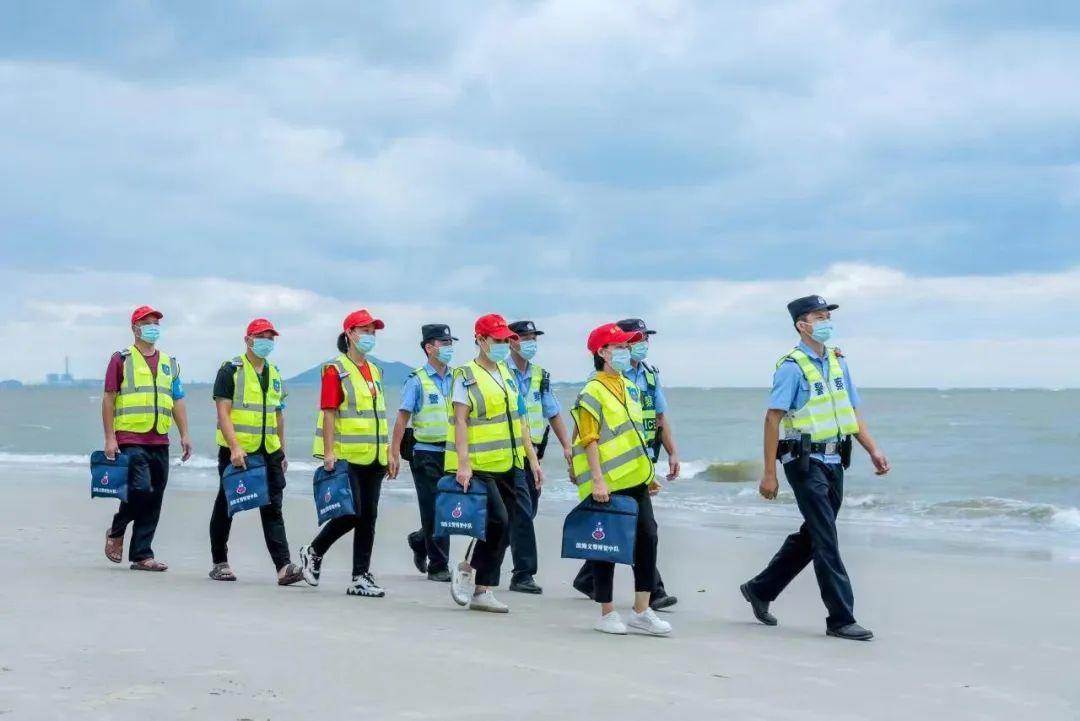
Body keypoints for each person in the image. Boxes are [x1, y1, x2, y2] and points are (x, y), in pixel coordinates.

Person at [740, 295, 890, 641]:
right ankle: (840, 618)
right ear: (801, 325)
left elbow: (851, 412)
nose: (825, 322)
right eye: (818, 317)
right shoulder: (791, 367)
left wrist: (873, 449)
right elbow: (772, 418)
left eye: (827, 316)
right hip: (804, 462)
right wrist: (769, 473)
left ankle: (760, 589)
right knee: (826, 539)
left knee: (814, 534)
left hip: (836, 459)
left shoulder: (838, 362)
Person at [570, 323, 671, 636]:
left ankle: (642, 610)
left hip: (635, 478)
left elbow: (637, 435)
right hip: (606, 483)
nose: (626, 352)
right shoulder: (591, 391)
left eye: (628, 347)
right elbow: (589, 438)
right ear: (602, 352)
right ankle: (607, 611)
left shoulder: (630, 386)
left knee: (647, 537)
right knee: (607, 547)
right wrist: (597, 480)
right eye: (620, 347)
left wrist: (648, 473)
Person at [446, 313, 544, 613]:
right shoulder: (466, 375)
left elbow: (521, 420)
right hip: (480, 464)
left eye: (505, 340)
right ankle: (466, 568)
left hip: (511, 462)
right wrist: (463, 463)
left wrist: (532, 461)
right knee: (497, 520)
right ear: (480, 340)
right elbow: (460, 420)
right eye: (497, 340)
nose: (503, 345)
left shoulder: (508, 374)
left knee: (508, 524)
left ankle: (482, 589)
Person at [299, 309, 390, 598]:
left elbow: (377, 416)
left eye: (372, 331)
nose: (369, 336)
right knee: (352, 514)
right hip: (346, 455)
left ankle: (360, 576)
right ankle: (314, 551)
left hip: (374, 456)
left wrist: (389, 454)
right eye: (364, 330)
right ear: (349, 333)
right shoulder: (334, 370)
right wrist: (328, 454)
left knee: (369, 517)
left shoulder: (375, 370)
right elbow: (328, 413)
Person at [208, 318, 304, 585]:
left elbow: (278, 416)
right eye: (262, 337)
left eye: (271, 338)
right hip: (239, 451)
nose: (267, 342)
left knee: (273, 507)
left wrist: (282, 451)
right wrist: (235, 448)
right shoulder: (231, 371)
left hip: (268, 451)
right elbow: (223, 412)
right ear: (248, 339)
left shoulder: (274, 374)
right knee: (227, 505)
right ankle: (219, 562)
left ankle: (283, 567)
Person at [102, 305, 193, 571]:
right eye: (147, 322)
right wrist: (110, 438)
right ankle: (117, 529)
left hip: (159, 439)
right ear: (134, 328)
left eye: (156, 323)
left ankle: (142, 554)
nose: (153, 327)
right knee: (141, 488)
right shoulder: (121, 359)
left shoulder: (169, 363)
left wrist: (184, 434)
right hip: (130, 436)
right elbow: (109, 399)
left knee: (155, 496)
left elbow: (177, 400)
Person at [496, 319, 573, 595]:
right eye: (525, 337)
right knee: (522, 513)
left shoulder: (541, 375)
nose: (531, 343)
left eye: (534, 338)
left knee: (521, 515)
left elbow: (551, 411)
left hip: (535, 453)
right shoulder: (499, 372)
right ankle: (523, 573)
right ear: (512, 341)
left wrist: (567, 445)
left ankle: (478, 559)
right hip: (508, 452)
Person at [391, 324, 457, 583]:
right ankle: (438, 565)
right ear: (429, 348)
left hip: (451, 453)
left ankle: (420, 540)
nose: (449, 347)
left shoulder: (459, 378)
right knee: (434, 509)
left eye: (451, 342)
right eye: (444, 343)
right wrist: (394, 452)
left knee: (448, 508)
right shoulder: (417, 380)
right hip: (425, 453)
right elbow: (402, 418)